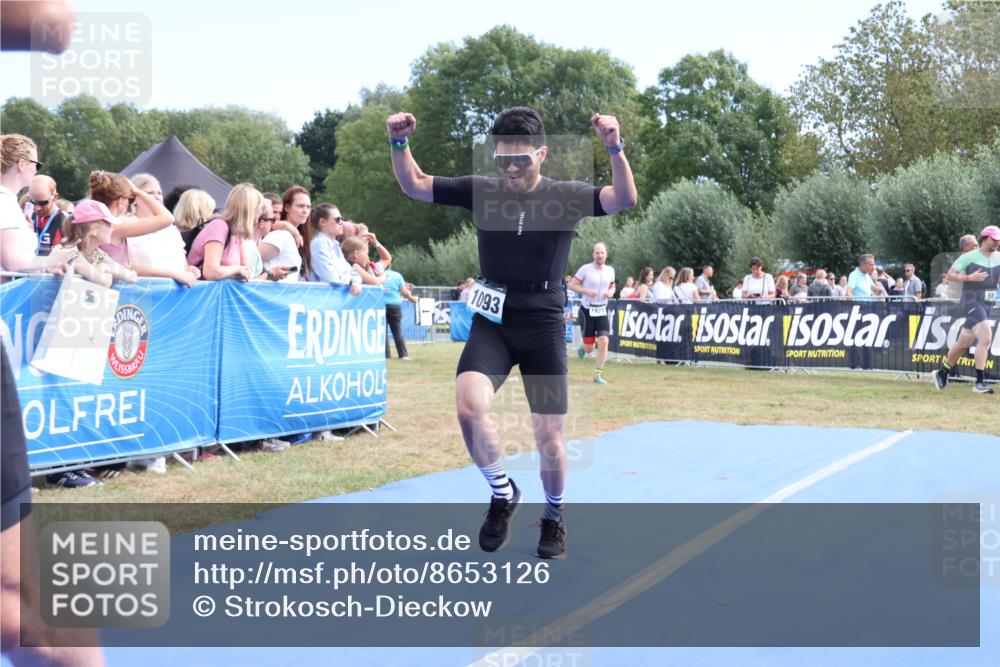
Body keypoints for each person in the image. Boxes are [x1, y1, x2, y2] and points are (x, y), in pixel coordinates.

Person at [387, 105, 637, 559]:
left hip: (542, 323)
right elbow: (414, 184)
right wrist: (399, 142)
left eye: (521, 160)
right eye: (503, 160)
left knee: (550, 440)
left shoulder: (565, 195)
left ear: (542, 155)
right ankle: (503, 494)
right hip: (494, 322)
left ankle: (555, 516)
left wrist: (614, 147)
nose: (512, 169)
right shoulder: (482, 191)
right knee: (469, 407)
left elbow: (624, 199)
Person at [933, 226, 1000, 394]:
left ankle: (943, 372)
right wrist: (969, 277)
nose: (997, 242)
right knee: (986, 336)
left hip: (987, 303)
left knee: (963, 343)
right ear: (985, 239)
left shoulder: (999, 257)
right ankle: (979, 383)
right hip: (970, 301)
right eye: (994, 239)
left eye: (999, 239)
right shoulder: (969, 257)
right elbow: (950, 275)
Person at [1, 134, 76, 274]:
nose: (36, 170)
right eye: (37, 164)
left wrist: (47, 265)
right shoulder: (5, 202)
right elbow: (13, 262)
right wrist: (53, 259)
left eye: (42, 202)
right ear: (22, 164)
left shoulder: (7, 200)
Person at [123, 173, 199, 287]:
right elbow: (127, 265)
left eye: (159, 193)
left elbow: (182, 265)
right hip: (142, 294)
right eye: (150, 193)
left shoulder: (171, 230)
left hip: (173, 295)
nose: (157, 196)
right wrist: (174, 274)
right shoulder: (126, 225)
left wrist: (189, 270)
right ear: (134, 198)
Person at [569, 242, 616, 385]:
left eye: (602, 252)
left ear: (606, 254)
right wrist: (587, 291)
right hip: (587, 311)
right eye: (597, 253)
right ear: (593, 254)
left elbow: (613, 285)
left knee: (604, 341)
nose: (600, 255)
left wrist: (611, 292)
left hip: (602, 310)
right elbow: (571, 285)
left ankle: (598, 375)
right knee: (589, 348)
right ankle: (584, 348)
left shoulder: (610, 270)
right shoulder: (585, 269)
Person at [187, 184, 254, 282]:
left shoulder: (237, 233)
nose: (261, 212)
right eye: (259, 206)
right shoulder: (219, 226)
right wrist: (237, 269)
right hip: (199, 292)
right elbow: (211, 272)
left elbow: (247, 272)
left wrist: (238, 271)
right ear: (249, 210)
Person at [309, 203, 362, 294]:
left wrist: (355, 281)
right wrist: (351, 281)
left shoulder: (334, 244)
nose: (341, 222)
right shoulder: (319, 243)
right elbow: (331, 277)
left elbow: (352, 272)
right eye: (337, 219)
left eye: (342, 219)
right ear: (322, 222)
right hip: (320, 299)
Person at [28, 174, 67, 256]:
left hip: (50, 267)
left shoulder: (66, 221)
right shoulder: (26, 217)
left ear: (55, 197)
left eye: (42, 203)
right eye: (33, 202)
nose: (37, 208)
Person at [384, 269, 418, 360]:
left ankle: (386, 355)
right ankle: (403, 355)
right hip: (394, 305)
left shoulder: (375, 274)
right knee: (397, 331)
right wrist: (411, 299)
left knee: (383, 332)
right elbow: (404, 292)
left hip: (381, 305)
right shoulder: (397, 275)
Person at [281, 185, 313, 279]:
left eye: (308, 207)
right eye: (301, 206)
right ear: (287, 207)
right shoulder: (280, 234)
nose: (305, 211)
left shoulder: (302, 235)